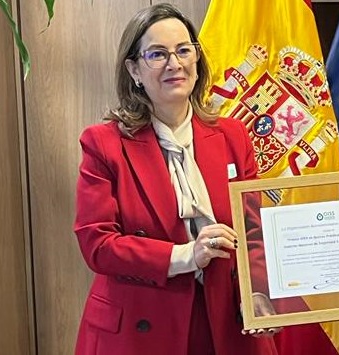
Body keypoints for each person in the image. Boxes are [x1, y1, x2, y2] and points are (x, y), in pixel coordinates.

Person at [73, 4, 277, 354]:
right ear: (134, 69)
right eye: (157, 54)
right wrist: (185, 255)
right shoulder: (103, 143)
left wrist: (255, 293)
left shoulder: (233, 135)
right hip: (141, 327)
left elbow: (253, 232)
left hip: (226, 321)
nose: (175, 63)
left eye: (184, 50)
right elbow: (98, 245)